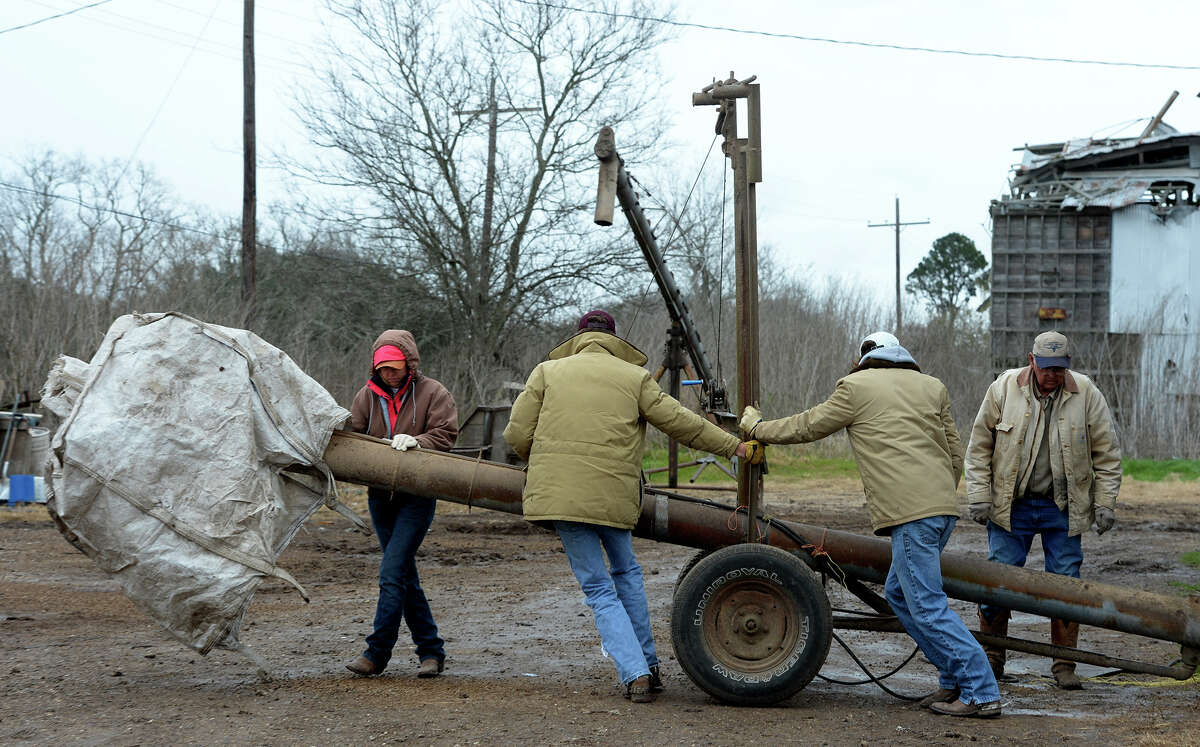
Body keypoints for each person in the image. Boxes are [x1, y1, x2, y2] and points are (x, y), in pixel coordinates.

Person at [503, 310, 761, 704]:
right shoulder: (634, 378)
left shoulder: (547, 372)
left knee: (598, 588)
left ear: (579, 338)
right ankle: (650, 665)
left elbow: (516, 434)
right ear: (614, 339)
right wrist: (734, 446)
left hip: (561, 496)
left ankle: (635, 673)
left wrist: (541, 462)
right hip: (615, 497)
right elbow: (680, 422)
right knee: (627, 573)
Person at [741, 331, 1002, 718]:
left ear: (864, 356)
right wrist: (935, 496)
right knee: (899, 594)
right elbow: (954, 451)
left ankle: (981, 691)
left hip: (913, 515)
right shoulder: (932, 386)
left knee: (927, 606)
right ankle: (953, 680)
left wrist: (757, 427)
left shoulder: (856, 387)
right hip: (940, 510)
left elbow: (808, 426)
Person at [965, 331, 1121, 690]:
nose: (1053, 375)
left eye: (1060, 369)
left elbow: (1108, 454)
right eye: (1047, 368)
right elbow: (978, 447)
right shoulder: (1004, 388)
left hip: (1062, 507)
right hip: (1011, 506)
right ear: (1031, 360)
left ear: (1069, 366)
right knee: (998, 579)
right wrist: (979, 496)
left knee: (1066, 583)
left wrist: (1105, 503)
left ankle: (1064, 664)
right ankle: (993, 655)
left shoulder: (1086, 393)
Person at [344, 330, 459, 678]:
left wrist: (418, 441)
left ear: (409, 363)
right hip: (380, 495)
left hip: (419, 494)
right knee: (404, 574)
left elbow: (445, 434)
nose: (389, 374)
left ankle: (376, 652)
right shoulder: (366, 395)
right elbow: (354, 436)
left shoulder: (434, 392)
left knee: (392, 572)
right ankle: (431, 651)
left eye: (395, 367)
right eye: (383, 368)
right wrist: (370, 445)